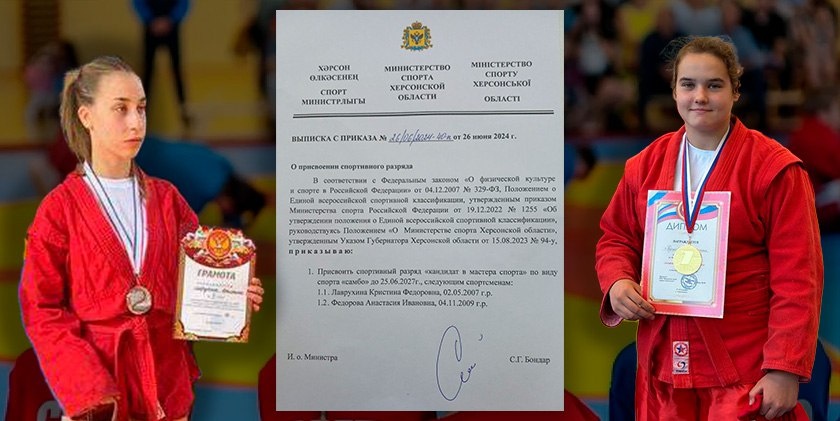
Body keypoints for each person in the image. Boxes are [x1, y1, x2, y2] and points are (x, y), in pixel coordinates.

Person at [18, 55, 265, 421]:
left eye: (141, 108)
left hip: (166, 389)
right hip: (100, 395)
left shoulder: (169, 200)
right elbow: (41, 308)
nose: (136, 122)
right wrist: (88, 390)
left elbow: (194, 285)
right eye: (121, 108)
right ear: (86, 116)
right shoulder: (58, 211)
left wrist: (231, 293)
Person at [595, 36, 822, 420]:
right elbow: (617, 237)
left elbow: (799, 277)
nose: (700, 96)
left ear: (735, 91)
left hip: (744, 365)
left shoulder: (775, 170)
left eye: (714, 85)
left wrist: (784, 368)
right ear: (674, 91)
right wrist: (617, 281)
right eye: (688, 84)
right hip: (664, 361)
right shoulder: (644, 166)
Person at [787, 86, 840, 232]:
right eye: (838, 109)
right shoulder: (816, 135)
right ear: (824, 111)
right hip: (807, 207)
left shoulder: (808, 128)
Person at [133, 0, 191, 127]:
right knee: (148, 72)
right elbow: (138, 2)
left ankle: (184, 110)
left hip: (171, 27)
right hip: (151, 28)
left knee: (176, 71)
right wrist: (150, 20)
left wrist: (171, 20)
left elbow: (184, 3)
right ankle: (142, 111)